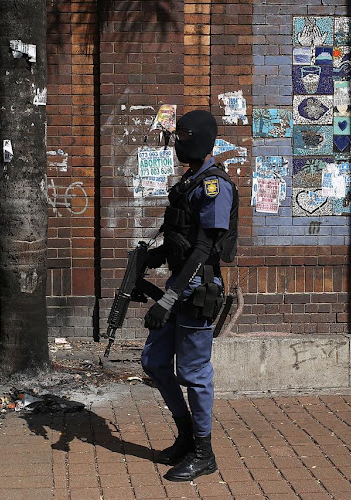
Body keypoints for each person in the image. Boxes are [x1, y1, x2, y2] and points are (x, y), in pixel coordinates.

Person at [141, 110, 236, 482]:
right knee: (154, 361)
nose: (176, 143)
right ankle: (185, 435)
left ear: (198, 139)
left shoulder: (216, 187)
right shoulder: (190, 182)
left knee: (194, 373)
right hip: (179, 285)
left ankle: (204, 451)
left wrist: (168, 298)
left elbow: (203, 248)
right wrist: (153, 257)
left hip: (198, 290)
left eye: (182, 136)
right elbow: (180, 239)